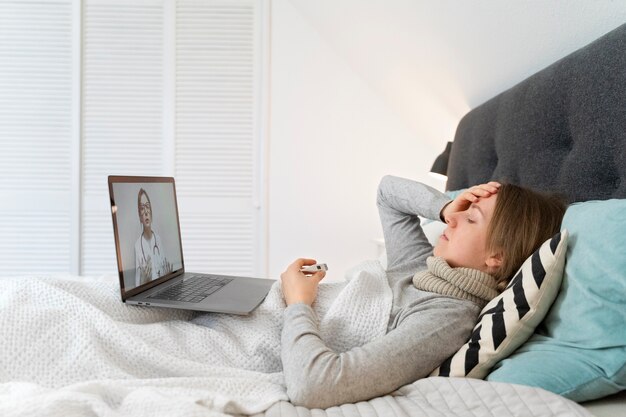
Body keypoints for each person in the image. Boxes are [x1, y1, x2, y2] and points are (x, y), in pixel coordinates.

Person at [279, 175, 566, 408]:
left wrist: (298, 302)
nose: (452, 221)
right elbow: (387, 193)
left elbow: (315, 386)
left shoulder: (446, 316)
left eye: (470, 218)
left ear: (497, 257)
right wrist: (445, 206)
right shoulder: (419, 263)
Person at [134, 188, 173, 287]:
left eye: (147, 206)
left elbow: (164, 271)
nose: (146, 212)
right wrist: (144, 281)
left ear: (151, 211)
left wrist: (168, 276)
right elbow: (137, 286)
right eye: (142, 208)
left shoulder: (158, 239)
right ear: (139, 216)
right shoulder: (137, 245)